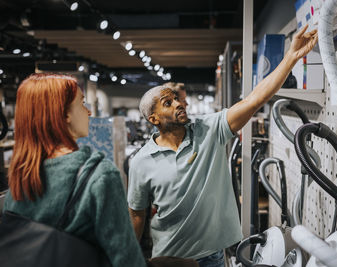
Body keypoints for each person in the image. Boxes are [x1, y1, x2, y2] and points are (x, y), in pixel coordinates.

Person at [127, 25, 318, 267]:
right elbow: (137, 213)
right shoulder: (141, 161)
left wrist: (291, 57)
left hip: (213, 256)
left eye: (177, 98)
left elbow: (254, 99)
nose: (178, 103)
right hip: (169, 259)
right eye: (168, 102)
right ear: (154, 119)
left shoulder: (209, 129)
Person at [4, 73, 147, 267]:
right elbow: (126, 258)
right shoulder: (99, 175)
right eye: (82, 103)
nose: (88, 112)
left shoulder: (21, 175)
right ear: (64, 114)